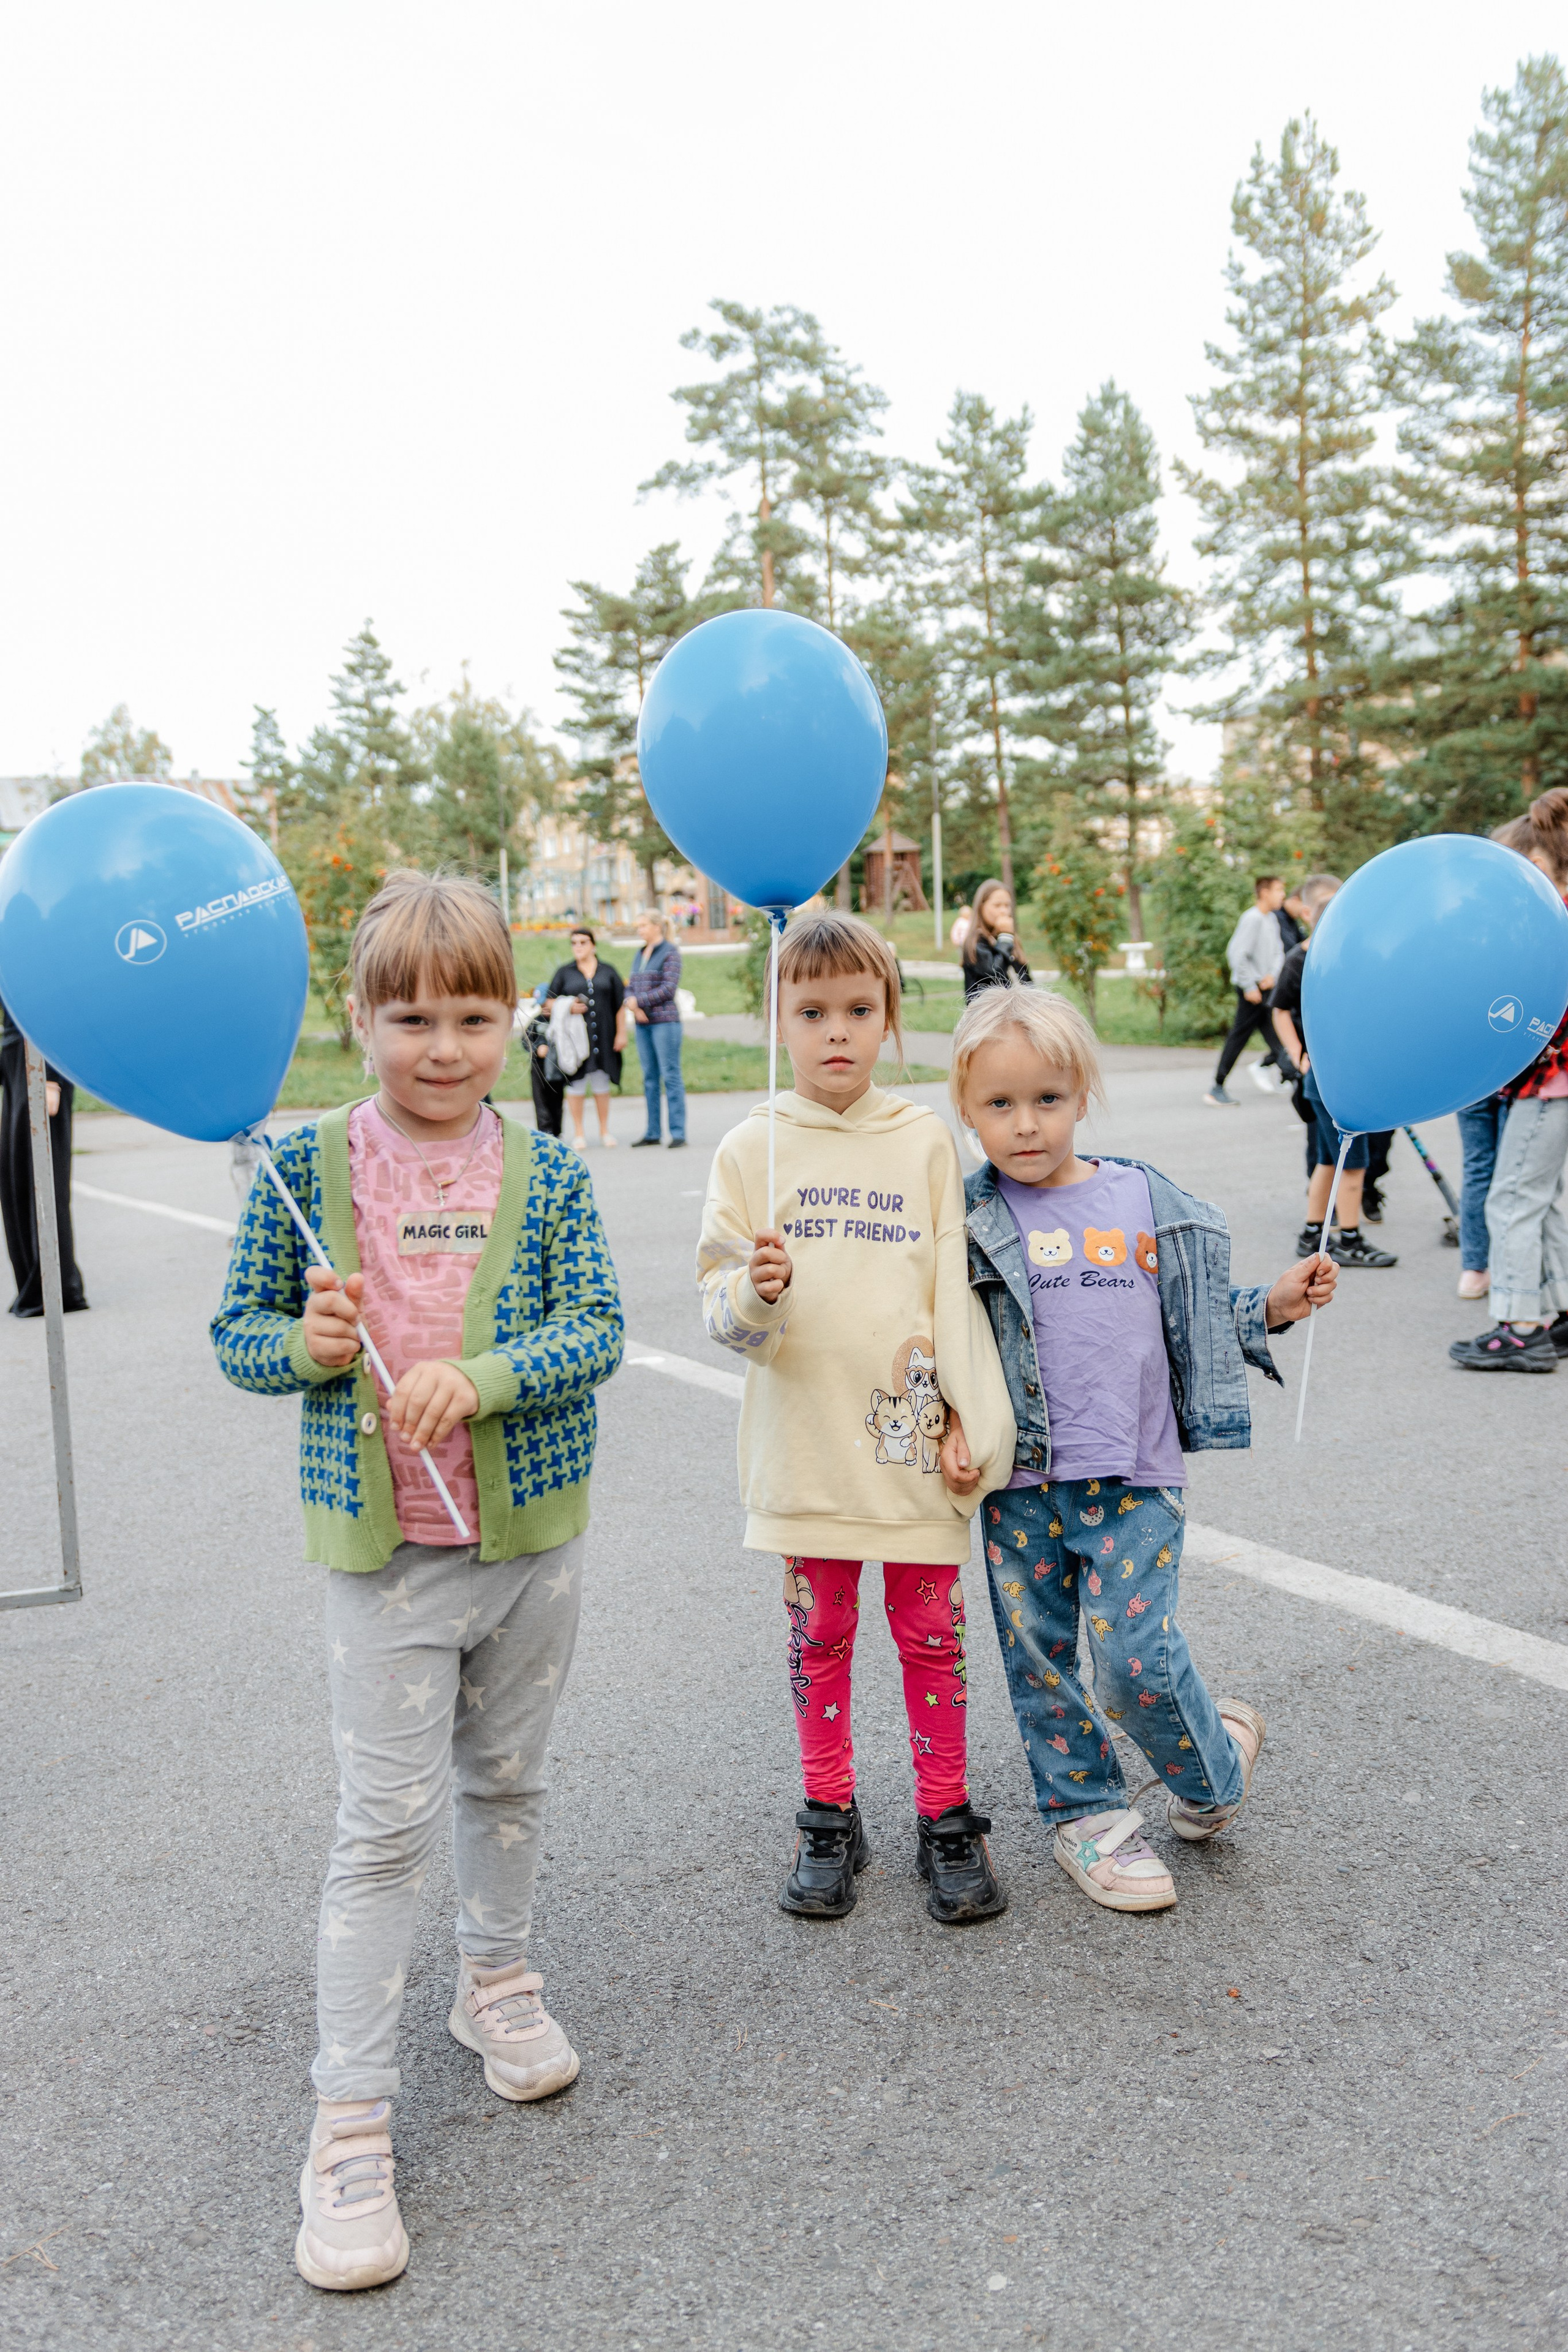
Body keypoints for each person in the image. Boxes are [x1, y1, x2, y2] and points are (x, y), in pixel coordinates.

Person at [210, 870, 623, 2293]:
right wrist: (312, 1350)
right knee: (378, 1828)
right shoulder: (301, 1167)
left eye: (469, 1014)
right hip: (383, 1560)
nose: (439, 1045)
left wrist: (489, 1374)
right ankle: (348, 2114)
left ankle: (494, 1979)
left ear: (513, 1019)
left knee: (506, 1781)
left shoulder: (551, 1170)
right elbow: (238, 1335)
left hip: (529, 1544)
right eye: (408, 1016)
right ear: (359, 1016)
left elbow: (598, 1328)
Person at [942, 983, 1336, 1911]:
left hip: (1134, 1478)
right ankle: (1087, 1815)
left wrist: (1273, 1305)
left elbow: (1197, 1319)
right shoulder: (966, 1220)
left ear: (1083, 1094)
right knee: (1040, 1658)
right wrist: (950, 1426)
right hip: (1022, 1483)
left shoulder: (1144, 1197)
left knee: (1134, 1662)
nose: (1026, 1125)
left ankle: (1212, 1774)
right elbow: (934, 1342)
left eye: (1047, 1098)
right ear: (966, 1111)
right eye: (999, 1105)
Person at [696, 912, 1017, 1925]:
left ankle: (947, 1818)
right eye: (812, 1011)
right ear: (777, 1022)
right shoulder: (753, 1149)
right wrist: (755, 1292)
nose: (837, 1030)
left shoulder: (921, 1138)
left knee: (932, 1637)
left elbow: (952, 1292)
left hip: (911, 1447)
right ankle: (828, 1817)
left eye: (860, 1010)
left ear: (890, 1023)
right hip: (804, 1454)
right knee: (819, 1635)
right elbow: (720, 1310)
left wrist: (971, 1416)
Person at [1450, 790, 1568, 1372]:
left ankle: (1521, 1327)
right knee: (1548, 1201)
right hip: (1557, 1084)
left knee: (1515, 1197)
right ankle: (1560, 1313)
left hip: (1552, 1084)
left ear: (1540, 865)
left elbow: (1538, 1011)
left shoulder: (1554, 919)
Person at [1267, 875, 1397, 1269]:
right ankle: (1350, 1239)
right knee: (1353, 1166)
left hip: (1319, 1084)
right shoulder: (1332, 969)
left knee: (1327, 1160)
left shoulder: (1328, 968)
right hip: (1339, 1086)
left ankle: (1312, 1233)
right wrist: (1297, 1053)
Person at [0, 995, 88, 1317]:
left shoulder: (26, 948)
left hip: (40, 1060)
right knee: (16, 1183)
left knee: (44, 1179)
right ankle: (33, 1283)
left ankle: (59, 1286)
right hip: (14, 1060)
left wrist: (51, 1077)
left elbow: (49, 1005)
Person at [1204, 876, 1285, 1105]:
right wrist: (1250, 986)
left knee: (1277, 1038)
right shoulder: (1252, 919)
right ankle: (1217, 1087)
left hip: (1266, 988)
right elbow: (1237, 954)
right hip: (1252, 992)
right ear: (1264, 893)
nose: (1283, 895)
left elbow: (1279, 952)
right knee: (1240, 1037)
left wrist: (1273, 975)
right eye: (1279, 890)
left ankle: (1293, 1076)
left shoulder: (1271, 920)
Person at [545, 925, 624, 1152]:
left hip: (605, 1036)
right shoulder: (564, 972)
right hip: (575, 1040)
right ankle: (579, 1132)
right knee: (576, 1084)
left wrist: (621, 1033)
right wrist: (568, 1005)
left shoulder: (608, 971)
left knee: (601, 1082)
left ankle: (604, 1130)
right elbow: (548, 1003)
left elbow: (619, 1004)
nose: (578, 947)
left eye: (582, 942)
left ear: (593, 945)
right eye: (574, 943)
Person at [622, 907, 686, 1150]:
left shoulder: (671, 952)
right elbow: (630, 985)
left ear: (657, 927)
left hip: (665, 1023)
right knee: (649, 1079)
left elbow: (669, 988)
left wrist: (640, 1002)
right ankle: (653, 1132)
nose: (640, 930)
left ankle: (678, 1132)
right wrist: (631, 1002)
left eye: (643, 925)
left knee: (670, 1075)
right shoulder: (640, 953)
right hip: (643, 1024)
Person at [960, 880, 1032, 1001]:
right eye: (997, 905)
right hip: (987, 1016)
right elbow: (996, 972)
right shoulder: (976, 942)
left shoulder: (1009, 939)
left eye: (1007, 905)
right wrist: (1005, 937)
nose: (1004, 911)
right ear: (981, 907)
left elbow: (1026, 981)